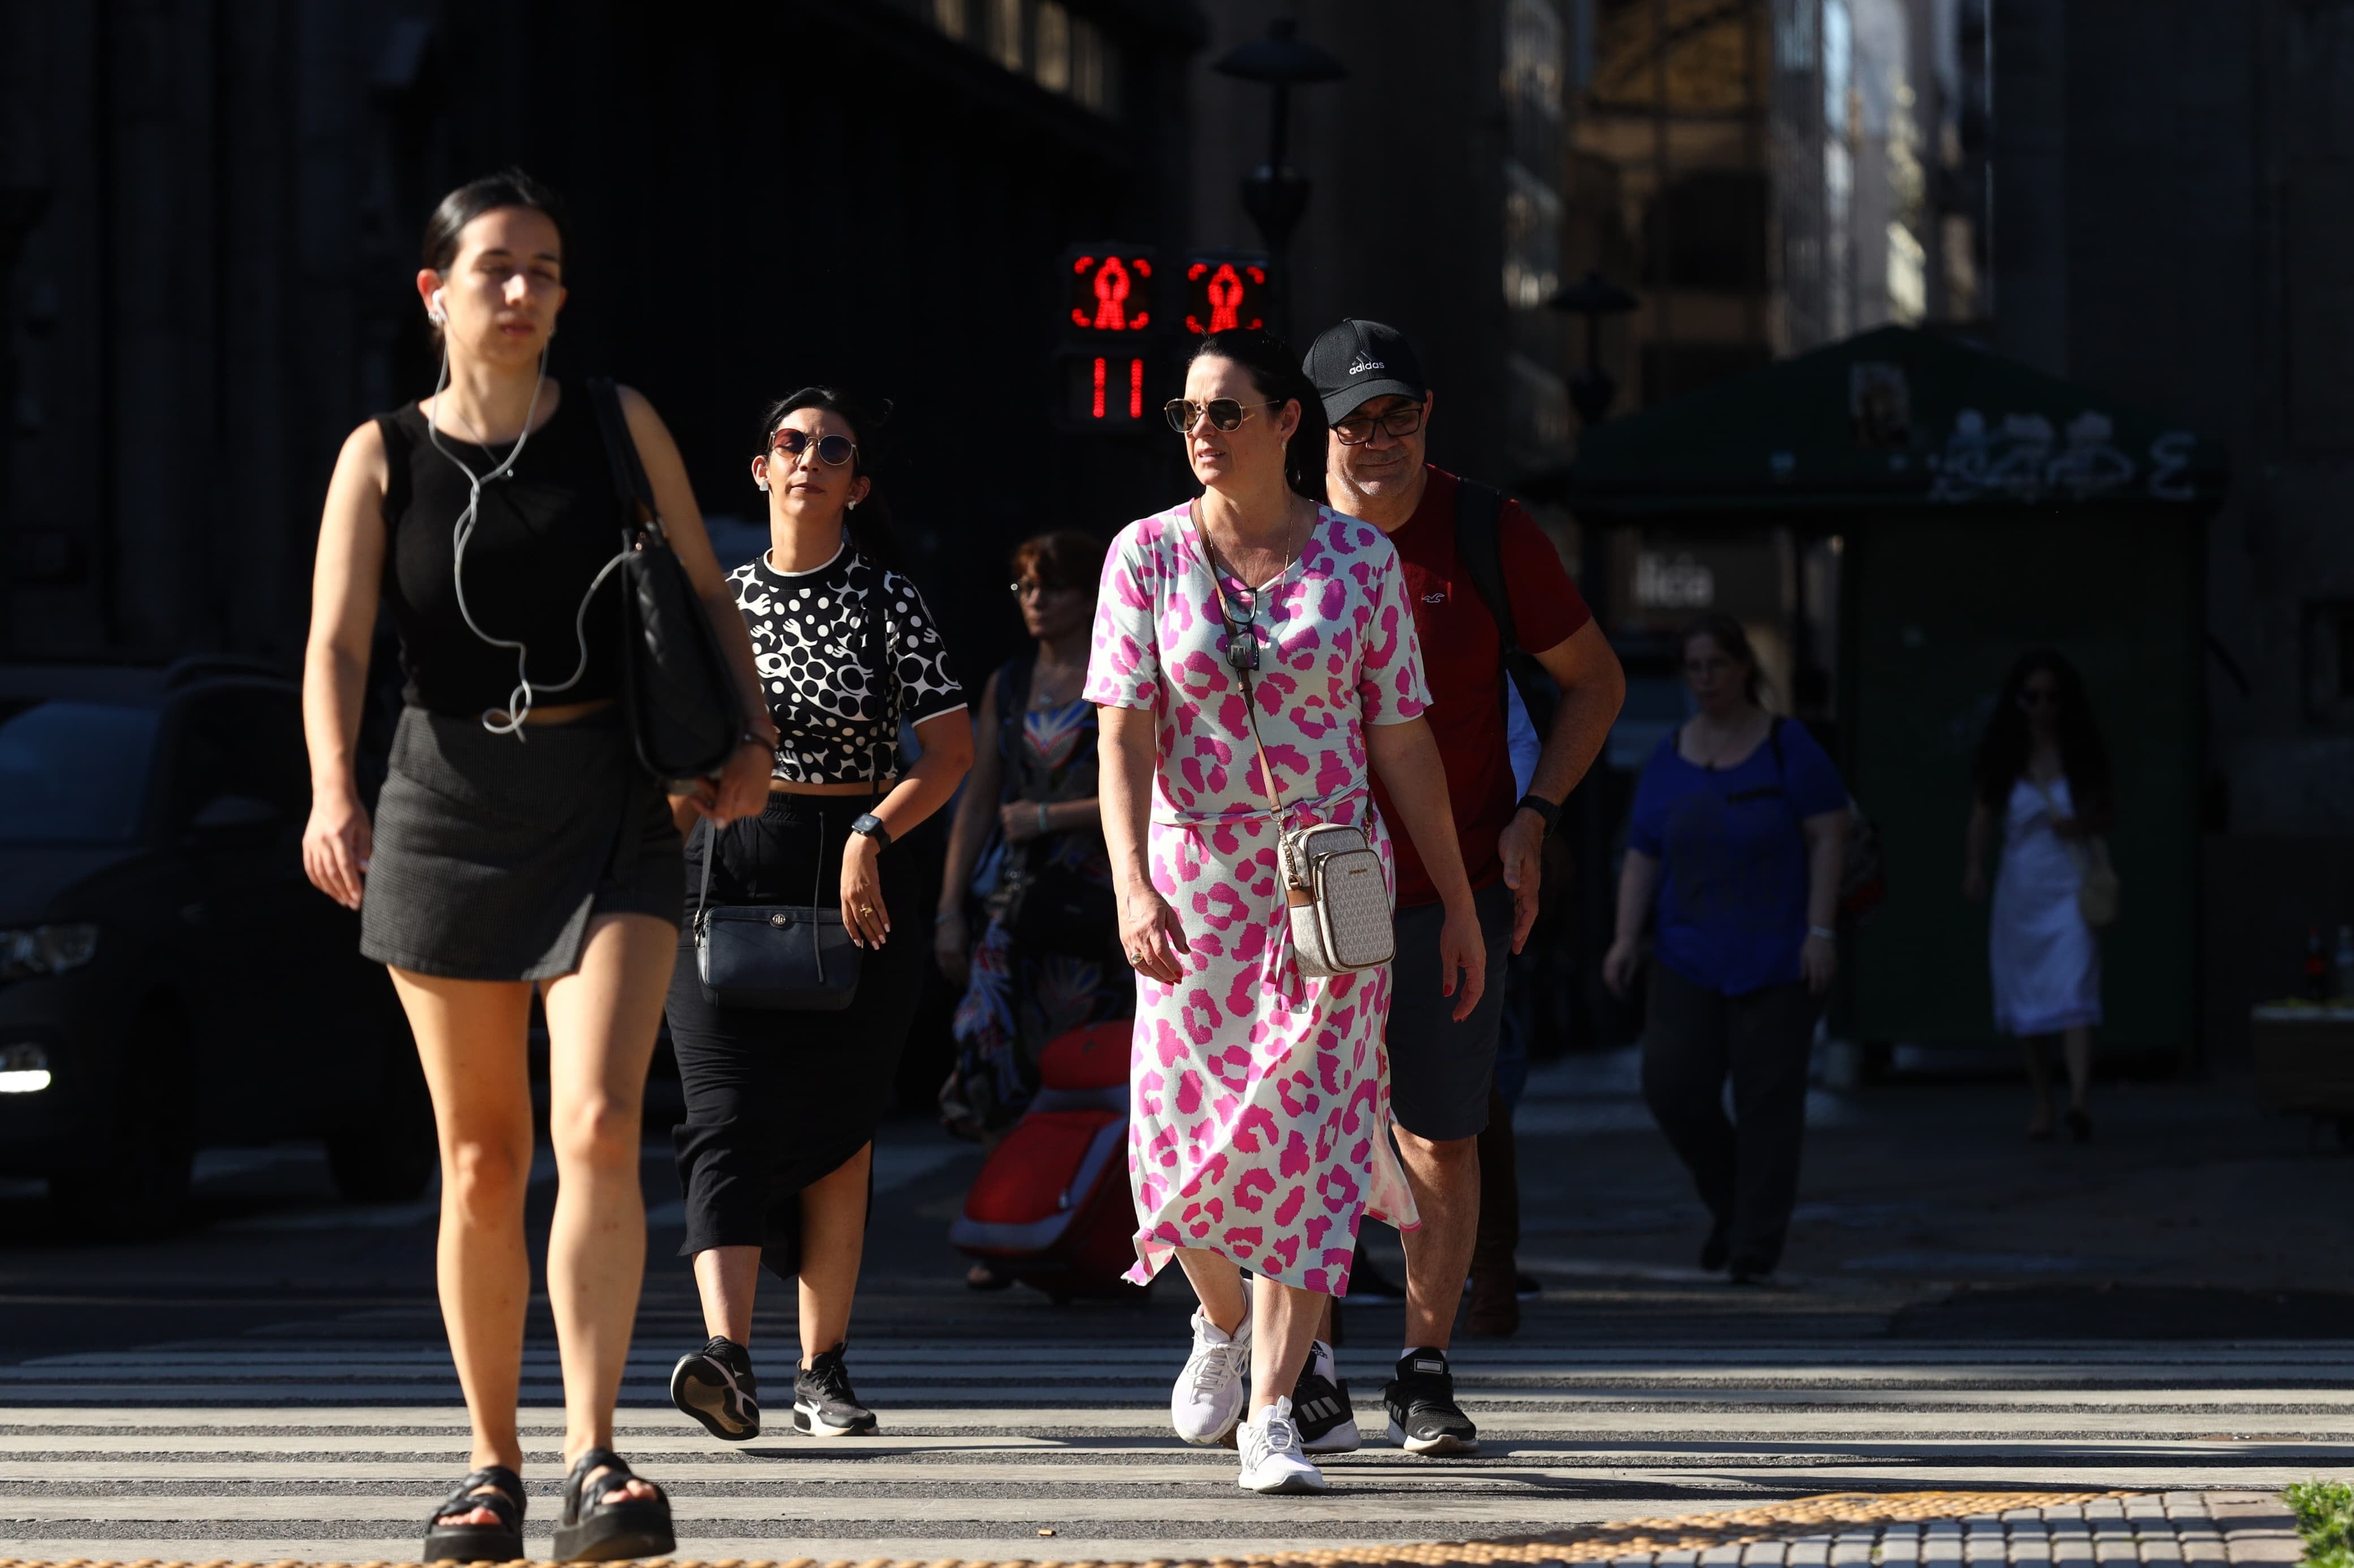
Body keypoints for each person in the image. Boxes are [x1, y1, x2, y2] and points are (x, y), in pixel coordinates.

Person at [300, 171, 775, 1562]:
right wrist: (334, 789)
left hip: (612, 793)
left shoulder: (619, 424)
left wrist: (745, 731)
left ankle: (596, 1453)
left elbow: (699, 586)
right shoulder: (380, 454)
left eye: (546, 270)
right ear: (437, 292)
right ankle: (489, 1464)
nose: (524, 293)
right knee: (479, 1154)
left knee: (595, 1126)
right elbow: (334, 645)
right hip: (443, 799)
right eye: (497, 268)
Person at [1087, 327, 1488, 1496]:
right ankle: (1220, 1324)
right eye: (1187, 416)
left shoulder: (1359, 563)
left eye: (1223, 412)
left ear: (1283, 423)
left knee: (1307, 1150)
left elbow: (1402, 740)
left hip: (1325, 897)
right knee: (1173, 1151)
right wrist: (1128, 880)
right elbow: (1122, 731)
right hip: (1190, 893)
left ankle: (1274, 1411)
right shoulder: (1145, 555)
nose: (1201, 433)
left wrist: (1456, 903)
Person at [1304, 320, 1624, 1447]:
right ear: (1314, 428)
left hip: (1456, 883)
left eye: (1395, 414)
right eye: (1353, 420)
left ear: (1426, 414)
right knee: (1308, 1132)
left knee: (1442, 1132)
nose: (1375, 439)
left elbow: (1594, 680)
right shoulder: (1278, 541)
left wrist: (1535, 821)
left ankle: (1423, 1363)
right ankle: (1306, 1363)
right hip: (1310, 890)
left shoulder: (1489, 529)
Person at [663, 390, 974, 1444]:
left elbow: (953, 753)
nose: (809, 460)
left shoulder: (891, 601)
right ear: (761, 470)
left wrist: (870, 836)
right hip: (723, 865)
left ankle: (823, 1368)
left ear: (858, 483)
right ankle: (728, 1356)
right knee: (723, 1114)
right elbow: (670, 752)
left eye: (833, 449)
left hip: (857, 875)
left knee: (840, 1128)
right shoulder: (718, 605)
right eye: (790, 444)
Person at [1601, 614, 1845, 1286]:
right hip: (1686, 953)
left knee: (1769, 1101)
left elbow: (1830, 836)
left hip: (1777, 954)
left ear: (1744, 668)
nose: (1704, 679)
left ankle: (1753, 1244)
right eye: (1694, 668)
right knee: (1672, 1084)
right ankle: (1734, 1203)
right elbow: (1642, 855)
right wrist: (1625, 939)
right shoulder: (1670, 753)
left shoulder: (1786, 745)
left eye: (1715, 665)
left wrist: (1819, 932)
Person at [936, 530, 1127, 1148]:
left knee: (1089, 1059)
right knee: (988, 1040)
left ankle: (1084, 1218)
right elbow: (977, 800)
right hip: (1017, 898)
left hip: (1099, 903)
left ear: (1087, 593)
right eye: (1024, 586)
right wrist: (948, 912)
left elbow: (1148, 788)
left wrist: (1050, 816)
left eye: (1052, 585)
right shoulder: (1009, 682)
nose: (1035, 599)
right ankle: (1008, 1218)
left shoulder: (1116, 670)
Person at [1964, 648, 2114, 1142]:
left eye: (2053, 696)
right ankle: (2044, 1101)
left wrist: (2077, 824)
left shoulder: (2081, 753)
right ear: (2018, 701)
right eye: (2033, 697)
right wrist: (1974, 868)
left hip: (2071, 884)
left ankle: (2079, 1100)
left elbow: (2106, 812)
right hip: (2022, 889)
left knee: (2074, 989)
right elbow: (1982, 816)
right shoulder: (2003, 757)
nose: (2044, 706)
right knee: (2027, 997)